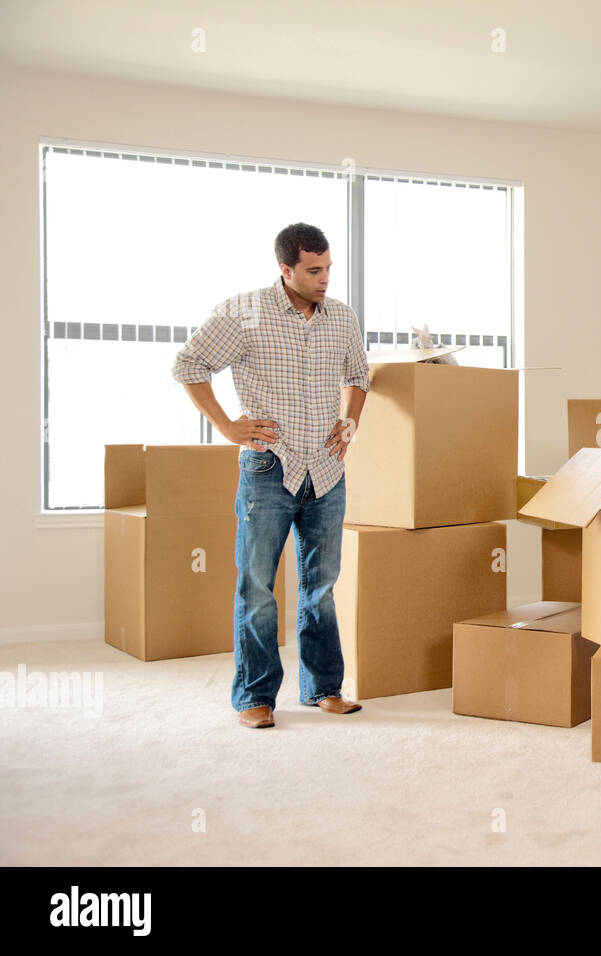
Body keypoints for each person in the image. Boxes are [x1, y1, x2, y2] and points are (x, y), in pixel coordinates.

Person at [172, 223, 370, 729]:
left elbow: (358, 376)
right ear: (285, 269)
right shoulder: (243, 312)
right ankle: (255, 697)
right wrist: (227, 425)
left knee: (321, 586)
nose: (325, 278)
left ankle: (324, 687)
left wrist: (350, 424)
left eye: (328, 267)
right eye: (313, 270)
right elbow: (189, 363)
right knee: (258, 586)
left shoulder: (342, 318)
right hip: (269, 465)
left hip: (326, 472)